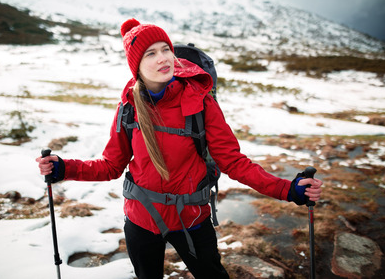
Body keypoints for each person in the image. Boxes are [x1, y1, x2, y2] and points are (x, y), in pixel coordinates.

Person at [36, 18, 323, 279]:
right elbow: (111, 166)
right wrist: (64, 168)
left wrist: (288, 189)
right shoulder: (128, 107)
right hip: (141, 218)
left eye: (165, 49)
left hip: (192, 219)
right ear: (136, 65)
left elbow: (234, 162)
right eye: (151, 53)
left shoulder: (201, 102)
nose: (163, 58)